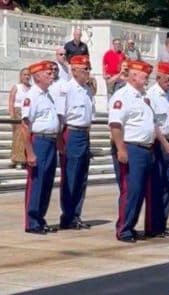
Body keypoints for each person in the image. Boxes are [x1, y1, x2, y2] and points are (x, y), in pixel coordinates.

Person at [108, 60, 154, 243]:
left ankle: (131, 225)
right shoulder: (122, 96)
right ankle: (123, 228)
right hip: (131, 147)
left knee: (139, 191)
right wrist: (121, 149)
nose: (147, 78)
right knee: (130, 190)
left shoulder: (143, 96)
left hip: (144, 148)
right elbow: (115, 125)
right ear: (134, 76)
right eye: (145, 75)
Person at [21, 61, 61, 234]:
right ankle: (32, 221)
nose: (52, 76)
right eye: (48, 73)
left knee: (47, 182)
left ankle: (40, 218)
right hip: (39, 141)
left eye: (52, 73)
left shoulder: (48, 95)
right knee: (37, 182)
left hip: (51, 141)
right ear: (37, 76)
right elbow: (25, 126)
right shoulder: (32, 96)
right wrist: (29, 152)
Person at [59, 55, 95, 230]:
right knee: (71, 177)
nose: (88, 72)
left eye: (88, 69)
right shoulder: (66, 89)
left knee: (81, 178)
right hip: (71, 132)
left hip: (84, 133)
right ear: (73, 70)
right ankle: (67, 215)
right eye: (84, 69)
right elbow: (61, 117)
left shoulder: (88, 90)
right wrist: (61, 141)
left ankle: (76, 214)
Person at [146, 62, 169, 237]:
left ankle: (162, 222)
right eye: (168, 79)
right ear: (159, 77)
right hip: (158, 143)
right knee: (156, 185)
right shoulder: (151, 95)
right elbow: (153, 123)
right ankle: (153, 225)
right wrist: (164, 143)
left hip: (168, 139)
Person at [8, 68, 31, 169]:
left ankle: (25, 158)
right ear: (21, 76)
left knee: (27, 137)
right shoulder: (17, 87)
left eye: (28, 75)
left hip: (28, 113)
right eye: (25, 74)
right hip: (18, 113)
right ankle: (17, 159)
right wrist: (12, 115)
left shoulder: (32, 88)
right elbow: (11, 101)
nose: (27, 77)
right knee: (18, 137)